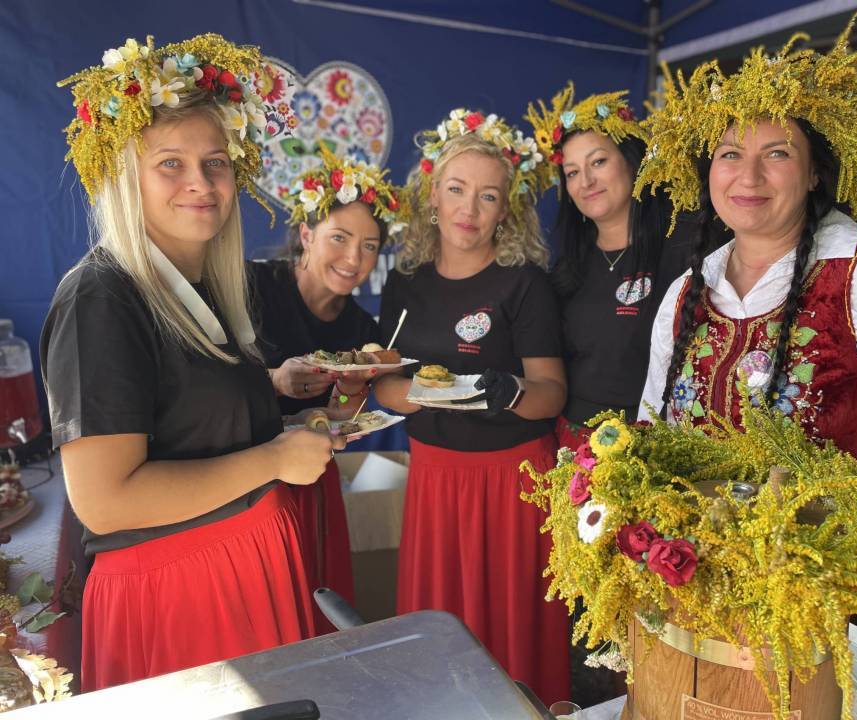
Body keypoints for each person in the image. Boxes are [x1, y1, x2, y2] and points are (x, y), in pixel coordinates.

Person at [634, 19, 857, 718]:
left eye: (776, 153)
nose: (747, 176)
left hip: (850, 622)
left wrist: (853, 509)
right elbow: (651, 424)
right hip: (701, 609)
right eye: (730, 153)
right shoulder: (687, 290)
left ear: (814, 172)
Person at [42, 34, 342, 691]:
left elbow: (181, 413)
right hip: (180, 597)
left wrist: (277, 405)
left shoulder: (203, 284)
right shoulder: (101, 296)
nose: (201, 183)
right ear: (126, 174)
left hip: (240, 570)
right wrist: (273, 459)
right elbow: (104, 500)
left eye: (215, 163)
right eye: (170, 163)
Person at [372, 109, 570, 705]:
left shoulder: (524, 283)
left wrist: (508, 391)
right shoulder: (404, 283)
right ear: (433, 196)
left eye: (488, 197)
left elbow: (551, 393)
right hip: (436, 478)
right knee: (439, 629)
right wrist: (429, 393)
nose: (470, 209)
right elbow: (385, 388)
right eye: (457, 190)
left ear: (505, 210)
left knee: (513, 632)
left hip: (513, 480)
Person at [248, 149, 406, 631]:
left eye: (370, 246)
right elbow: (205, 379)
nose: (354, 259)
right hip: (246, 482)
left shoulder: (361, 329)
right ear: (306, 235)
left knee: (318, 605)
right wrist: (275, 379)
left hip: (313, 482)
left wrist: (350, 394)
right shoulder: (251, 286)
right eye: (339, 238)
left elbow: (338, 420)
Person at [525, 83, 701, 451]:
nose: (586, 182)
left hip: (659, 443)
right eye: (572, 172)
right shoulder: (567, 268)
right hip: (576, 446)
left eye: (598, 162)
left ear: (631, 161)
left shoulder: (685, 245)